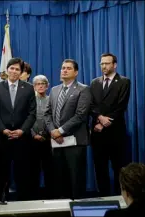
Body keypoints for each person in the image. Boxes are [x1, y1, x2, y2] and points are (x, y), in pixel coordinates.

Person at [0, 58, 36, 201]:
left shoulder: (28, 88)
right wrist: (3, 130)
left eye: (17, 69)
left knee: (22, 174)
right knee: (1, 173)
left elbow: (32, 113)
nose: (14, 72)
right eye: (12, 68)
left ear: (21, 72)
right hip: (2, 138)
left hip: (22, 139)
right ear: (7, 69)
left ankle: (23, 202)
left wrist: (22, 131)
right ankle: (0, 200)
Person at [44, 59, 91, 200]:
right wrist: (53, 131)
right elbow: (47, 113)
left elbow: (81, 115)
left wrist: (61, 130)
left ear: (75, 72)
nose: (64, 70)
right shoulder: (54, 90)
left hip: (75, 142)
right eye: (63, 68)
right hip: (57, 142)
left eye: (68, 68)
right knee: (59, 180)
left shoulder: (83, 89)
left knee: (75, 180)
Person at [90, 53, 131, 196]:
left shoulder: (124, 82)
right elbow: (92, 105)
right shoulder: (94, 82)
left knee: (119, 168)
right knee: (100, 169)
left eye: (107, 63)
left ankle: (121, 198)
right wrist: (100, 118)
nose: (103, 66)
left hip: (115, 133)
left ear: (114, 65)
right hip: (97, 133)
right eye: (102, 63)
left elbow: (121, 106)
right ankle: (104, 198)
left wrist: (105, 121)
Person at [30, 75, 53, 199]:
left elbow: (53, 118)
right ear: (34, 86)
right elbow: (26, 120)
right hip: (33, 140)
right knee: (33, 171)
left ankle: (50, 197)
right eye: (38, 84)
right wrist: (34, 135)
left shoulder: (51, 100)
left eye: (43, 83)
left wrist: (50, 133)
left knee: (50, 170)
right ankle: (34, 197)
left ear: (47, 86)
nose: (40, 86)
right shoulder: (30, 101)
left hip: (48, 140)